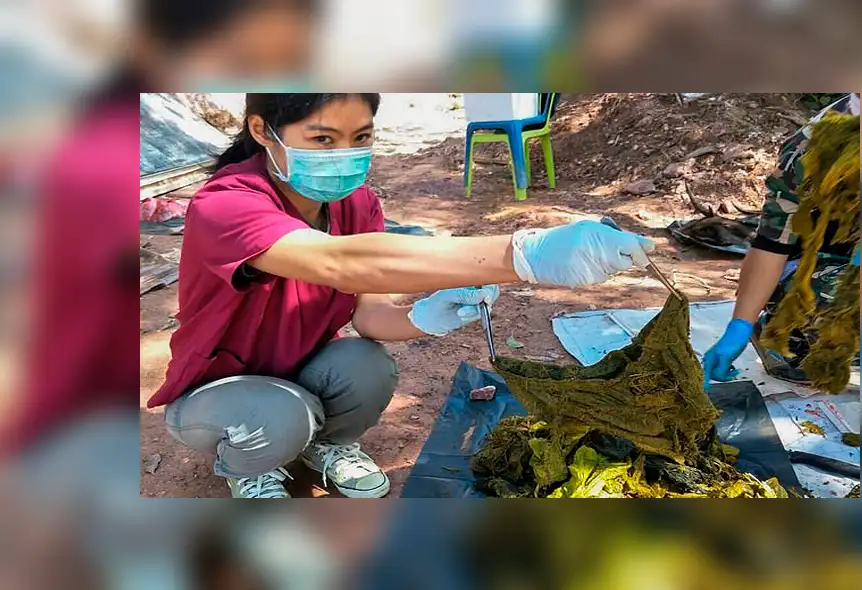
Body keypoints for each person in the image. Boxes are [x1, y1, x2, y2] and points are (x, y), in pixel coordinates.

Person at [147, 93, 656, 499]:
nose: (344, 155)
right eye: (322, 138)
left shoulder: (358, 203)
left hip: (298, 371)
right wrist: (523, 254)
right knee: (281, 415)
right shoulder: (226, 204)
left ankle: (326, 446)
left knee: (367, 364)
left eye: (360, 137)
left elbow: (370, 315)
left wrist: (425, 317)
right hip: (220, 390)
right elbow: (338, 261)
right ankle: (246, 467)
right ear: (262, 130)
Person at [702, 93, 861, 388]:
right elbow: (771, 246)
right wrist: (739, 327)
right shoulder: (811, 149)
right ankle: (789, 336)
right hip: (821, 271)